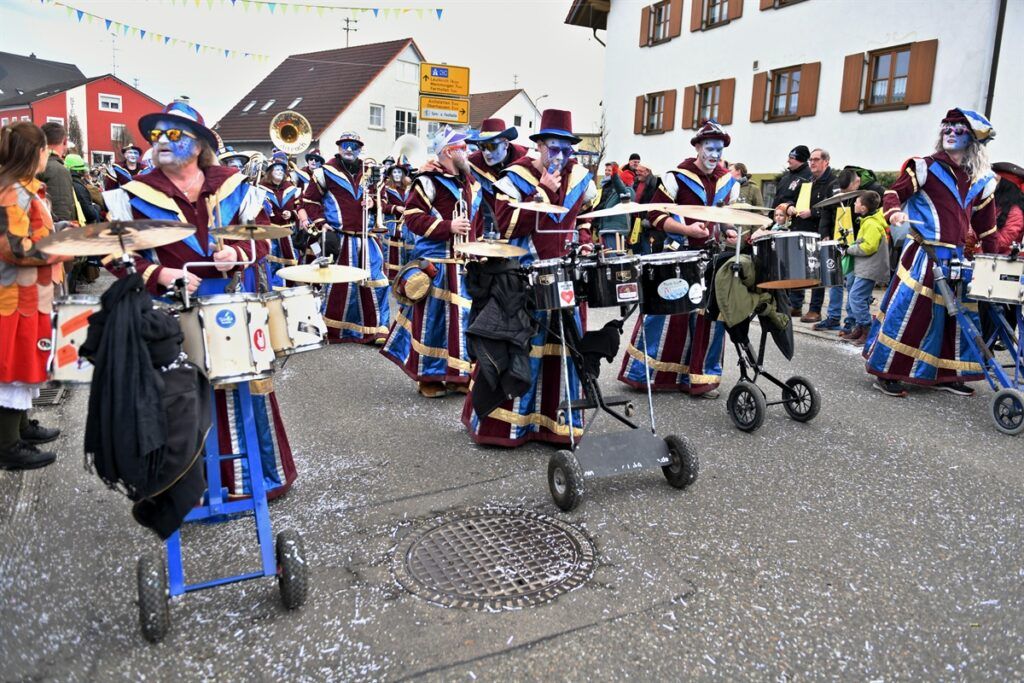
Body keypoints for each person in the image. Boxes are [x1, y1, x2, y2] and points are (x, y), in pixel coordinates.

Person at [102, 98, 297, 498]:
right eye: (156, 134)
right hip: (170, 310)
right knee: (178, 400)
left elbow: (263, 238)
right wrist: (159, 274)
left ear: (198, 143)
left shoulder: (234, 185)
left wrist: (238, 253)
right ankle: (188, 489)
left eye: (174, 133)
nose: (162, 141)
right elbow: (112, 254)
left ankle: (248, 480)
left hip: (230, 306)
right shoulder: (132, 195)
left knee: (240, 392)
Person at [462, 108, 597, 447]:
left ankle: (554, 425)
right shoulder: (515, 177)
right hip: (523, 275)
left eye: (566, 149)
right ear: (539, 146)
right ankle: (509, 427)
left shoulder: (581, 177)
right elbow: (503, 225)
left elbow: (586, 216)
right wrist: (539, 193)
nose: (560, 156)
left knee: (564, 347)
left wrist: (584, 239)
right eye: (553, 148)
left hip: (564, 273)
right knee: (521, 345)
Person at [864, 107, 998, 398]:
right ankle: (888, 371)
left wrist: (993, 260)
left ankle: (946, 374)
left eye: (959, 130)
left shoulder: (981, 179)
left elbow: (987, 228)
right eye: (946, 128)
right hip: (923, 254)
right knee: (911, 314)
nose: (950, 133)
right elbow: (893, 193)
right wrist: (894, 212)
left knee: (954, 321)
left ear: (973, 139)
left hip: (958, 258)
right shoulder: (925, 166)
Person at [618, 119, 737, 398]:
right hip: (679, 254)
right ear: (697, 147)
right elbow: (655, 215)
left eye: (719, 150)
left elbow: (725, 218)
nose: (715, 154)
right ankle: (645, 375)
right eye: (710, 148)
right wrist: (686, 230)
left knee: (709, 318)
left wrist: (729, 230)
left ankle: (700, 378)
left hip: (711, 257)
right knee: (666, 314)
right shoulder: (676, 177)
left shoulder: (728, 182)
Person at [381, 127, 477, 398]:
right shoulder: (426, 181)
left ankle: (457, 374)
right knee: (431, 323)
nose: (468, 152)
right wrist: (448, 226)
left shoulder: (467, 180)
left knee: (460, 323)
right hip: (437, 262)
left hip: (462, 261)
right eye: (463, 148)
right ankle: (428, 377)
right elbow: (412, 218)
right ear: (449, 151)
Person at [0, 121, 67, 470]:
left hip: (29, 295)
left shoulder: (24, 187)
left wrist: (61, 231)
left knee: (25, 363)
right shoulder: (12, 191)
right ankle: (7, 445)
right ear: (37, 152)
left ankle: (21, 428)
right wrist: (61, 247)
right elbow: (16, 248)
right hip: (14, 297)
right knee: (11, 369)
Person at [298, 131, 391, 344]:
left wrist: (374, 204)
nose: (349, 149)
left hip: (368, 237)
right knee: (339, 286)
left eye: (354, 145)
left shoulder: (371, 171)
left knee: (374, 281)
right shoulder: (324, 172)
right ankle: (336, 329)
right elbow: (309, 201)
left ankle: (375, 328)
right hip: (340, 238)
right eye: (345, 145)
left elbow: (384, 199)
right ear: (338, 147)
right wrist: (321, 222)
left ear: (360, 148)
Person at [778, 148, 837, 322]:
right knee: (799, 268)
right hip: (801, 228)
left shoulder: (832, 182)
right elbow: (793, 198)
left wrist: (813, 212)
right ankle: (796, 304)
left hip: (819, 231)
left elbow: (832, 208)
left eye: (816, 159)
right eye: (811, 159)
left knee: (816, 271)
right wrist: (789, 206)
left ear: (826, 162)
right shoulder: (808, 180)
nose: (812, 162)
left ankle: (815, 309)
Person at [466, 118, 528, 238]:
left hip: (520, 233)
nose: (487, 153)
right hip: (487, 234)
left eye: (492, 146)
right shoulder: (473, 163)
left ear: (506, 144)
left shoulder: (527, 161)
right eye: (482, 146)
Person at [843, 191, 889, 346]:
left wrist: (849, 249)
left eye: (856, 202)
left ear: (863, 208)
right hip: (865, 267)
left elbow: (869, 247)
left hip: (869, 268)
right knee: (859, 297)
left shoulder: (871, 224)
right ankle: (860, 328)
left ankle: (867, 328)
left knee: (856, 297)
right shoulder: (868, 221)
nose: (854, 204)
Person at [260, 151, 300, 286]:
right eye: (277, 169)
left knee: (291, 261)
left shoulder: (291, 188)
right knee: (271, 261)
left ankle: (289, 287)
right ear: (270, 172)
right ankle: (273, 287)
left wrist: (291, 214)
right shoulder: (261, 188)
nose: (280, 172)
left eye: (282, 170)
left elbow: (299, 207)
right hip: (270, 233)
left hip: (288, 233)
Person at [380, 160, 413, 281]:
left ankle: (408, 279)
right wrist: (395, 208)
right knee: (392, 253)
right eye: (394, 172)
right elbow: (382, 205)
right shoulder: (385, 188)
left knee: (409, 251)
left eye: (399, 172)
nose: (397, 174)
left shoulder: (410, 188)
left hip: (409, 226)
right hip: (392, 226)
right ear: (391, 174)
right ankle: (392, 280)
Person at [37, 121, 76, 223]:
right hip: (54, 229)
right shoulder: (58, 170)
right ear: (64, 142)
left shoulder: (34, 165)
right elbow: (62, 209)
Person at [593, 161, 635, 250]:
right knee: (608, 254)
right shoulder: (615, 192)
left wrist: (615, 174)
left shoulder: (628, 191)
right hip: (608, 228)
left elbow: (621, 189)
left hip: (615, 229)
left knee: (612, 255)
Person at [64, 153, 101, 224]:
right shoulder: (79, 187)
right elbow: (90, 214)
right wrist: (96, 208)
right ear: (78, 171)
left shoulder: (66, 182)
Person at [991, 176, 1023, 254]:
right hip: (987, 252)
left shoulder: (1016, 212)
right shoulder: (996, 205)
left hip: (1002, 258)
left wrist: (985, 241)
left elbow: (1004, 240)